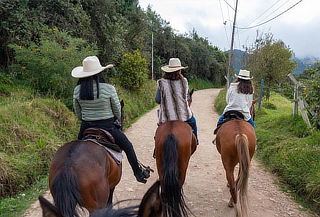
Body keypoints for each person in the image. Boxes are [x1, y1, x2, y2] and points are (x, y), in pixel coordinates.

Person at [72, 56, 150, 183]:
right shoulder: (109, 88)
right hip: (108, 127)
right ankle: (138, 173)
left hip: (86, 127)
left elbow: (79, 114)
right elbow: (118, 111)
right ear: (99, 73)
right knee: (128, 146)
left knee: (74, 153)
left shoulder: (77, 90)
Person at [155, 58, 198, 141]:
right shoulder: (184, 82)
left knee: (158, 133)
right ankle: (195, 141)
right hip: (183, 115)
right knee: (194, 122)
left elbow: (157, 100)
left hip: (166, 117)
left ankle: (156, 149)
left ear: (167, 71)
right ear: (179, 71)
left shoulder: (161, 83)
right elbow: (187, 97)